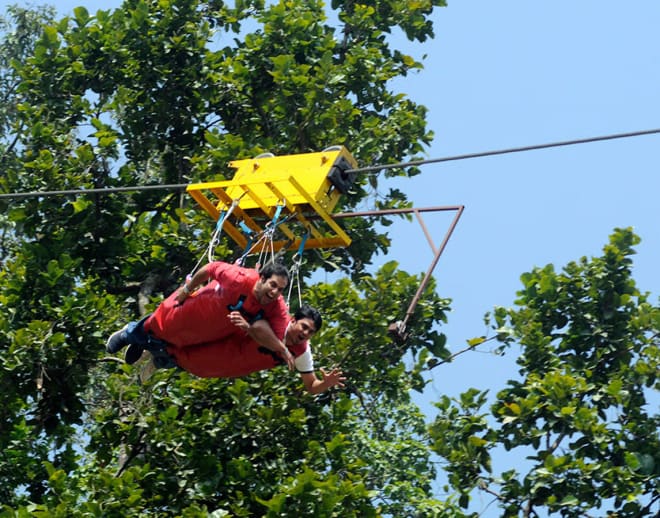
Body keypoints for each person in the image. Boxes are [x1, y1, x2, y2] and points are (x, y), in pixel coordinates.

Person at [107, 260, 295, 369]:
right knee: (164, 322)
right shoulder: (240, 278)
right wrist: (187, 289)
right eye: (273, 285)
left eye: (280, 289)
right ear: (262, 278)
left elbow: (281, 334)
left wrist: (284, 350)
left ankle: (150, 351)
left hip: (213, 330)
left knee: (188, 351)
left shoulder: (276, 306)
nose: (275, 292)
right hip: (200, 307)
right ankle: (129, 333)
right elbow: (210, 268)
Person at [156, 304, 346, 394]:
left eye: (310, 332)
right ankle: (151, 336)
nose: (305, 333)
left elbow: (311, 386)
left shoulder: (302, 351)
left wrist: (326, 383)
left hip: (235, 364)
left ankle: (161, 358)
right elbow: (259, 325)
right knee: (193, 344)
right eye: (304, 327)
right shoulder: (279, 318)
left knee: (198, 366)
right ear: (294, 320)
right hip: (230, 342)